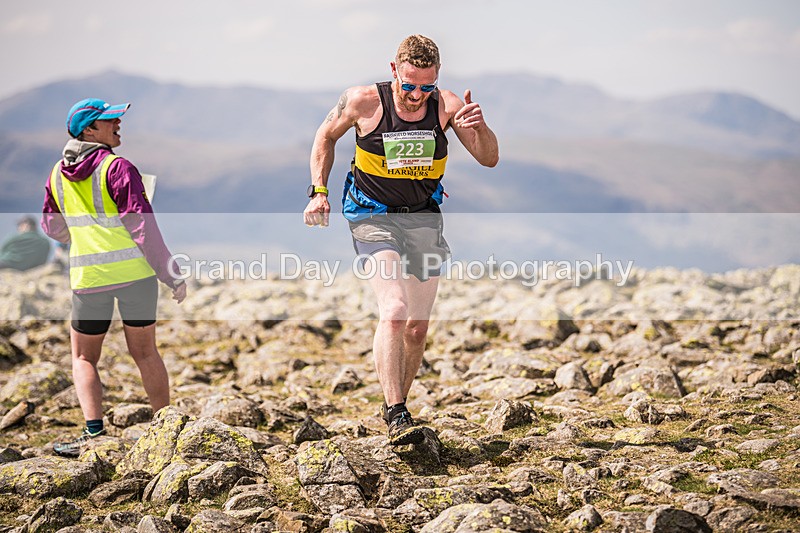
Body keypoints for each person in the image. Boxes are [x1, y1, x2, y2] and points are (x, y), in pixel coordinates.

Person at [304, 35, 498, 445]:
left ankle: (398, 407)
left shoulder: (446, 105)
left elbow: (489, 158)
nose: (415, 95)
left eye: (425, 86)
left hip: (423, 217)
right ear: (394, 70)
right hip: (371, 213)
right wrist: (318, 191)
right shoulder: (363, 101)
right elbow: (325, 136)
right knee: (394, 309)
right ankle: (396, 413)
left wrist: (478, 128)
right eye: (408, 84)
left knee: (416, 328)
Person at [41, 98, 187, 456]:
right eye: (110, 120)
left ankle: (93, 434)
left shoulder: (57, 174)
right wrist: (170, 273)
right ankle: (165, 430)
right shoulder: (118, 168)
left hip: (89, 279)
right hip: (136, 276)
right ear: (90, 130)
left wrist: (84, 236)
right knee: (146, 353)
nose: (118, 123)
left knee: (83, 358)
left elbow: (52, 227)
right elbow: (143, 228)